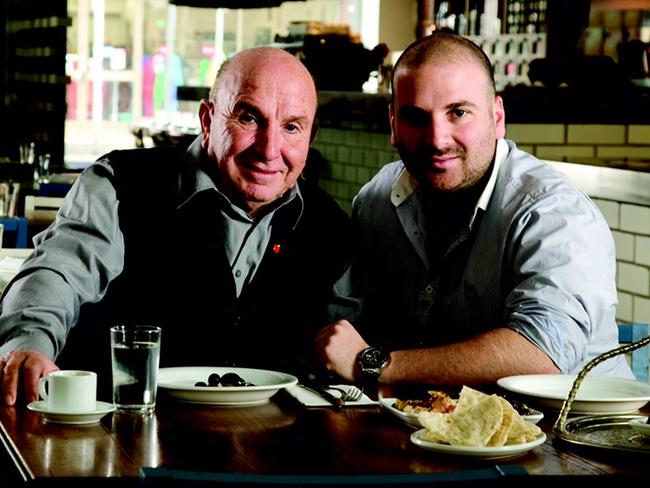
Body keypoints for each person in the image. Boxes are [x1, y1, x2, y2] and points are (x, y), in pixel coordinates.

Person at [0, 47, 354, 405]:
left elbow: (339, 356)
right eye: (249, 118)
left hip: (263, 445)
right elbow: (56, 274)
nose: (269, 148)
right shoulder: (120, 184)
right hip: (115, 433)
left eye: (292, 127)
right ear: (207, 119)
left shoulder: (329, 227)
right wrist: (28, 346)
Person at [314, 32, 632, 387]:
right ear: (393, 126)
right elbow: (345, 322)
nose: (437, 139)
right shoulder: (377, 201)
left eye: (459, 113)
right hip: (442, 430)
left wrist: (375, 365)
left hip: (581, 433)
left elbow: (544, 353)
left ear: (497, 117)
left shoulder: (553, 212)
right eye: (416, 118)